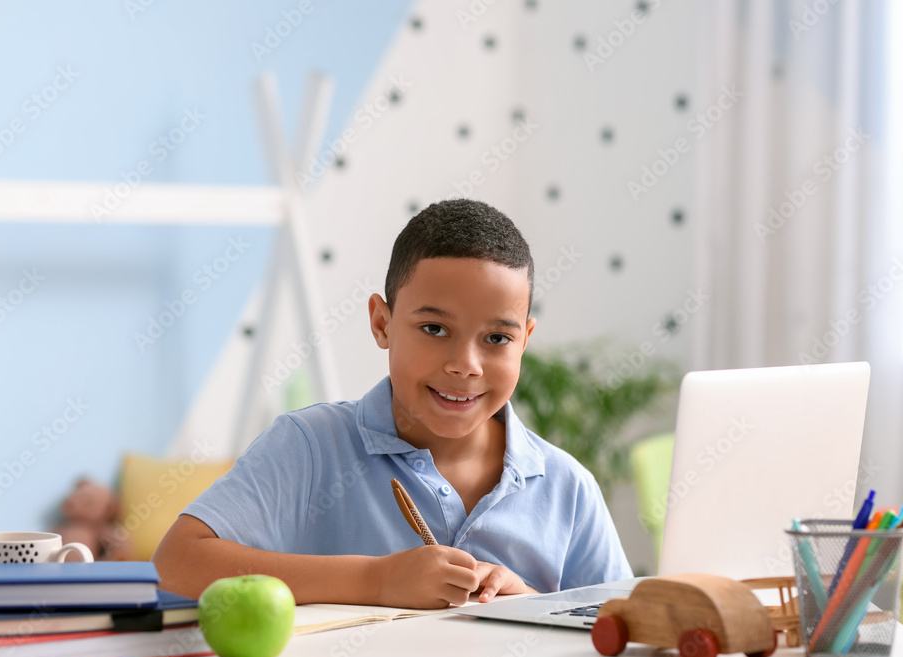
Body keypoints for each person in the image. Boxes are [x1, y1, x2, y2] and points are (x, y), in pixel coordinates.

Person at [152, 199, 632, 608]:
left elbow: (621, 629)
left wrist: (529, 603)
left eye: (496, 338)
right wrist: (375, 581)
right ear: (382, 323)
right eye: (434, 329)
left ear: (524, 340)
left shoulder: (568, 487)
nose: (466, 365)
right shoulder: (311, 447)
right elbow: (177, 563)